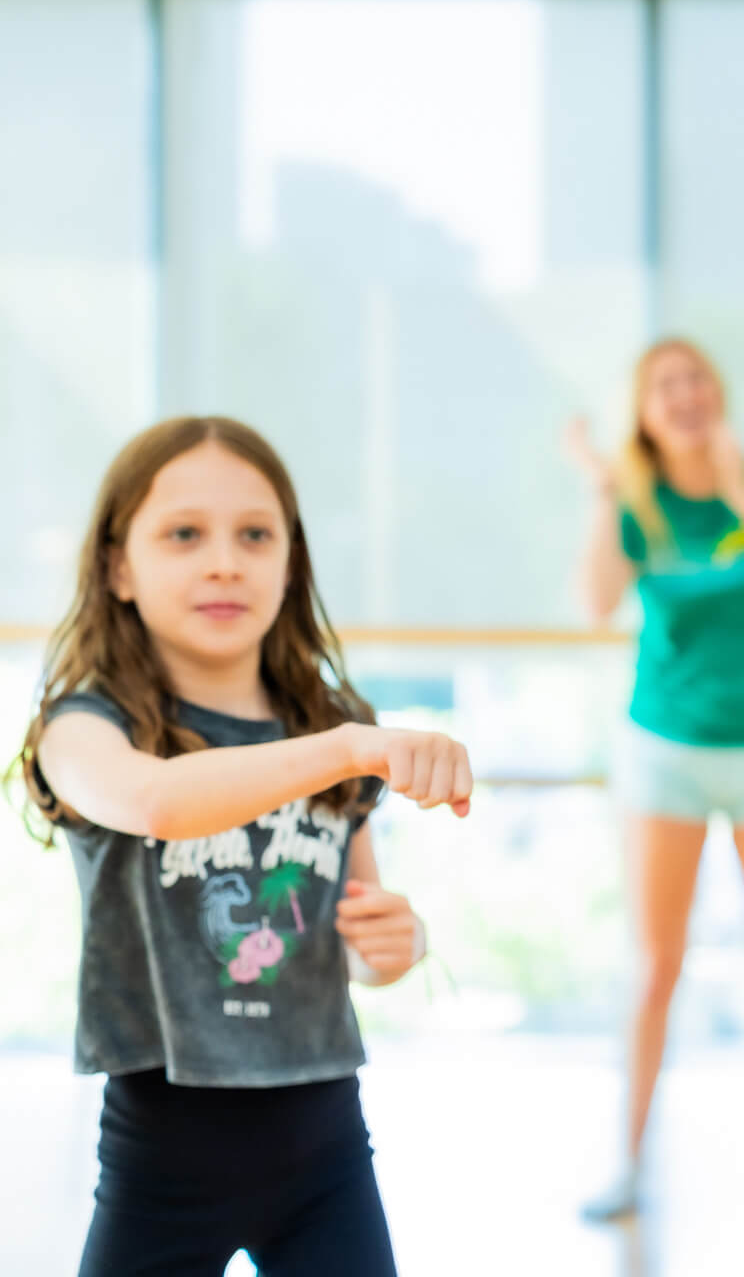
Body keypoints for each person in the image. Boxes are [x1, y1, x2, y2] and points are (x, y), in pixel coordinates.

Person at [14, 416, 472, 1276]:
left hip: (328, 1154)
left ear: (289, 563)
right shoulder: (83, 728)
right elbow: (156, 803)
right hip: (158, 1166)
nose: (224, 560)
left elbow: (353, 945)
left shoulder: (337, 729)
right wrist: (349, 747)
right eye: (184, 534)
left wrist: (396, 945)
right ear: (119, 566)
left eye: (254, 535)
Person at [565, 338, 744, 1220]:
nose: (682, 397)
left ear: (717, 395)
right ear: (642, 412)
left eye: (695, 382)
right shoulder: (636, 500)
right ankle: (628, 1168)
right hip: (666, 756)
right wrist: (604, 491)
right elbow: (594, 601)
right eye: (662, 387)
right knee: (654, 968)